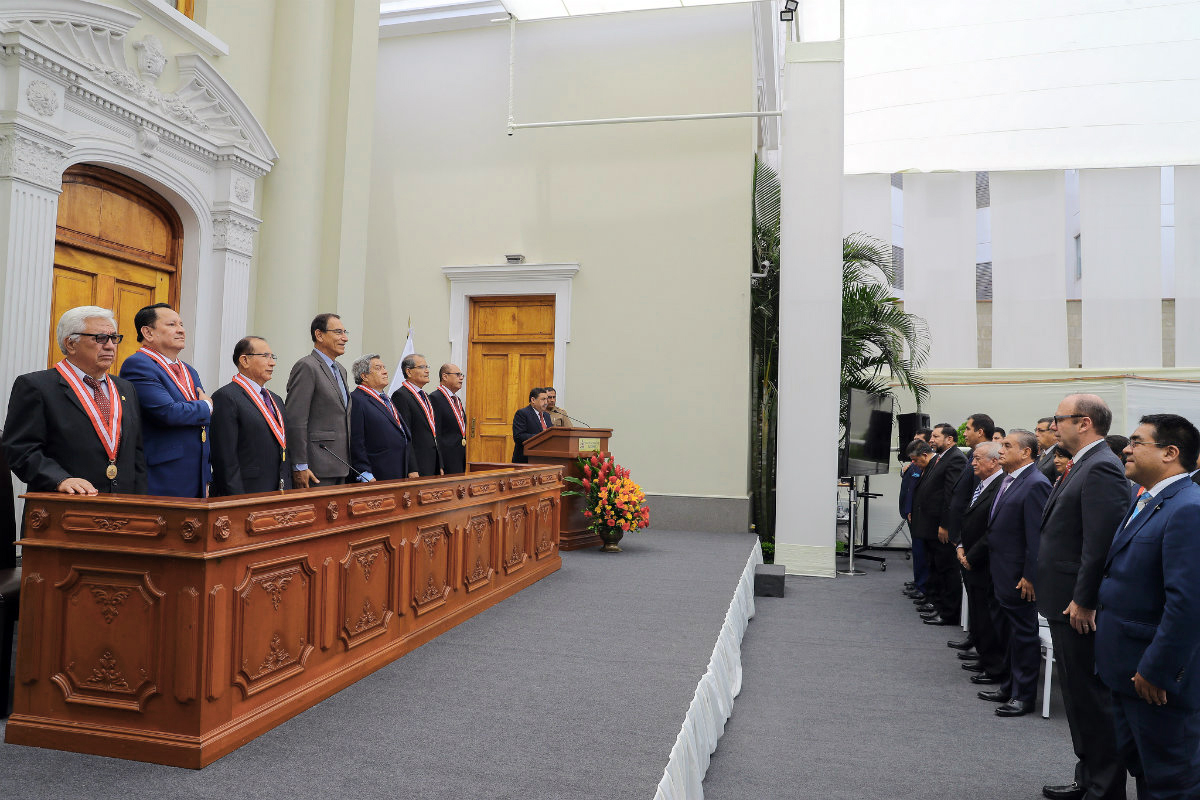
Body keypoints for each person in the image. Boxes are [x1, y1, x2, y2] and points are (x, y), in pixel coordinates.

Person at [1097, 414, 1200, 799]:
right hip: (1126, 669)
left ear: (1170, 453)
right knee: (1144, 770)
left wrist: (1157, 670)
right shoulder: (1148, 499)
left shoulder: (1188, 508)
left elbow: (1188, 604)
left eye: (1137, 442)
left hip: (1155, 679)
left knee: (1170, 783)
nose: (1126, 447)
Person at [1039, 394, 1131, 800]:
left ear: (1084, 422)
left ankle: (1105, 787)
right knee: (1077, 697)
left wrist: (1086, 599)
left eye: (1059, 419)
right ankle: (1088, 776)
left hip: (1079, 606)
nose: (1053, 426)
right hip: (1065, 598)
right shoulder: (1083, 464)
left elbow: (1100, 545)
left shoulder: (1101, 468)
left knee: (1091, 700)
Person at [2, 306, 146, 495]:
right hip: (64, 509)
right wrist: (59, 479)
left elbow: (136, 454)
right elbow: (20, 449)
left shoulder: (126, 389)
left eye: (114, 338)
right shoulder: (36, 386)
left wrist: (141, 506)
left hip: (123, 510)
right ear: (71, 344)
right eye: (100, 338)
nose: (110, 346)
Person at [977, 429, 1052, 718]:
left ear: (1026, 452)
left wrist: (1030, 575)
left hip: (1019, 577)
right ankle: (1009, 686)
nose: (1000, 449)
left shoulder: (1035, 483)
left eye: (1007, 445)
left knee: (1023, 635)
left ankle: (1023, 695)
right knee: (1008, 633)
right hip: (1003, 571)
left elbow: (1037, 536)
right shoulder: (1011, 480)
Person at [119, 303, 211, 497]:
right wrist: (206, 406)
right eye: (171, 325)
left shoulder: (189, 370)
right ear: (148, 333)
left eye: (181, 324)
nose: (181, 330)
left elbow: (198, 424)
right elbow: (168, 412)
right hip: (163, 474)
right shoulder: (138, 365)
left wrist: (206, 476)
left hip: (196, 475)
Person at [955, 442, 1007, 688]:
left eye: (977, 458)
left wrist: (972, 554)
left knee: (988, 616)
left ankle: (994, 666)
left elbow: (994, 529)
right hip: (971, 556)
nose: (972, 463)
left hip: (984, 561)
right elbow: (970, 518)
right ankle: (985, 656)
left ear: (994, 461)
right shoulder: (984, 483)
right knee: (978, 613)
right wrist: (961, 546)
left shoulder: (1001, 486)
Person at [210, 337, 291, 495]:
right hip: (247, 493)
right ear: (245, 360)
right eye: (265, 356)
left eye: (272, 357)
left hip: (279, 491)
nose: (272, 362)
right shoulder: (226, 397)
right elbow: (225, 458)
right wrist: (237, 500)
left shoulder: (276, 399)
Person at [285, 313, 352, 488]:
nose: (344, 338)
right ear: (319, 335)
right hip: (316, 468)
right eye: (338, 332)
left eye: (345, 332)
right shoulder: (307, 366)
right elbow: (296, 419)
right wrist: (299, 464)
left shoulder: (341, 370)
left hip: (343, 465)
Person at [910, 423, 966, 626]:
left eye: (935, 436)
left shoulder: (956, 458)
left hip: (941, 528)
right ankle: (938, 605)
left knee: (947, 570)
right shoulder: (942, 458)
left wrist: (945, 525)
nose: (931, 440)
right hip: (930, 526)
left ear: (949, 439)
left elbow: (951, 495)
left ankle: (949, 612)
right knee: (936, 566)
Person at [348, 354, 415, 481]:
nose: (385, 371)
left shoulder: (385, 399)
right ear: (364, 376)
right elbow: (356, 440)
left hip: (398, 470)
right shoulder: (357, 399)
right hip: (376, 475)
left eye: (384, 367)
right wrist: (364, 472)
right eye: (378, 368)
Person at [392, 353, 443, 476]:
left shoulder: (425, 396)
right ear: (408, 372)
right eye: (422, 367)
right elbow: (405, 435)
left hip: (433, 463)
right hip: (418, 465)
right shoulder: (401, 396)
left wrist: (440, 463)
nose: (427, 371)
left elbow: (433, 431)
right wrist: (412, 467)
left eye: (427, 367)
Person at [900, 431, 931, 601]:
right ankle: (918, 582)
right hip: (912, 512)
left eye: (918, 441)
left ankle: (922, 585)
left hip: (920, 515)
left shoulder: (927, 464)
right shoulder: (915, 463)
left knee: (922, 552)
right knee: (918, 552)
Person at [429, 363, 467, 474]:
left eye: (462, 375)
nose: (461, 378)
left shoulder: (456, 399)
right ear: (445, 376)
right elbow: (437, 433)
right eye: (457, 374)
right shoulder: (435, 398)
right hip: (446, 458)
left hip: (459, 456)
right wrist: (440, 462)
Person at [512, 387, 552, 463]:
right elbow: (518, 436)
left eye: (547, 399)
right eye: (543, 399)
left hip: (544, 459)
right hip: (526, 459)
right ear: (533, 400)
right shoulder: (522, 413)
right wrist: (541, 436)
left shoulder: (547, 415)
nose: (546, 402)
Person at [1036, 417, 1060, 482]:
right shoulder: (1039, 455)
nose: (1036, 434)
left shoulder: (1060, 455)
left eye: (1040, 431)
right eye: (1036, 430)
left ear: (1054, 433)